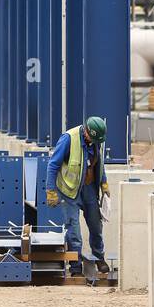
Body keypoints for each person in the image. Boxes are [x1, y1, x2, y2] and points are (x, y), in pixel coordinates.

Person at [45, 115, 111, 276]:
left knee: (96, 225)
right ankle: (75, 267)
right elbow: (53, 165)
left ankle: (98, 257)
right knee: (73, 230)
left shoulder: (96, 141)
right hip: (69, 191)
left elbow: (99, 164)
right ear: (87, 131)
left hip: (89, 189)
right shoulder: (68, 139)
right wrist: (50, 190)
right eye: (92, 138)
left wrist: (104, 183)